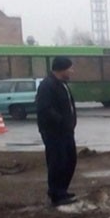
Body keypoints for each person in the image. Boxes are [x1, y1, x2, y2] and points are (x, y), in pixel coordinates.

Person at [35, 56, 78, 206]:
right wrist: (62, 121)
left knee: (70, 160)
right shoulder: (47, 85)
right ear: (62, 69)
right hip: (54, 132)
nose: (72, 71)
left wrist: (71, 123)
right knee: (57, 162)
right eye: (70, 68)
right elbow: (45, 109)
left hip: (66, 131)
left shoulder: (62, 84)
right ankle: (56, 194)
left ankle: (62, 191)